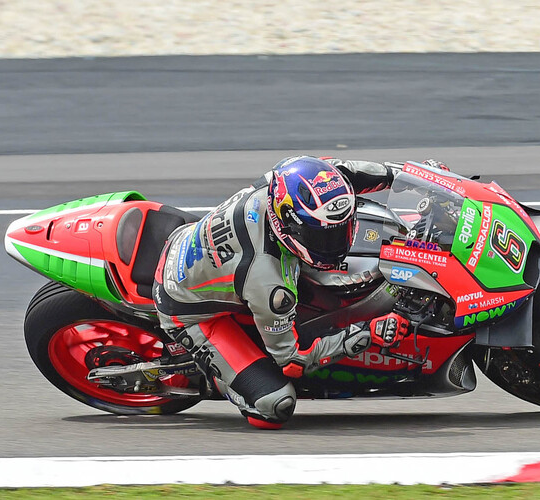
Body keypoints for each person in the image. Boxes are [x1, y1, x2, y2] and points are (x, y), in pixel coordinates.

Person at [152, 155, 410, 429]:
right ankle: (219, 378)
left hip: (202, 251)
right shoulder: (268, 281)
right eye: (323, 236)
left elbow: (341, 172)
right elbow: (292, 358)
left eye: (343, 228)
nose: (339, 242)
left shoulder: (283, 183)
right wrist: (367, 334)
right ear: (290, 225)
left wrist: (406, 176)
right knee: (275, 405)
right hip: (187, 309)